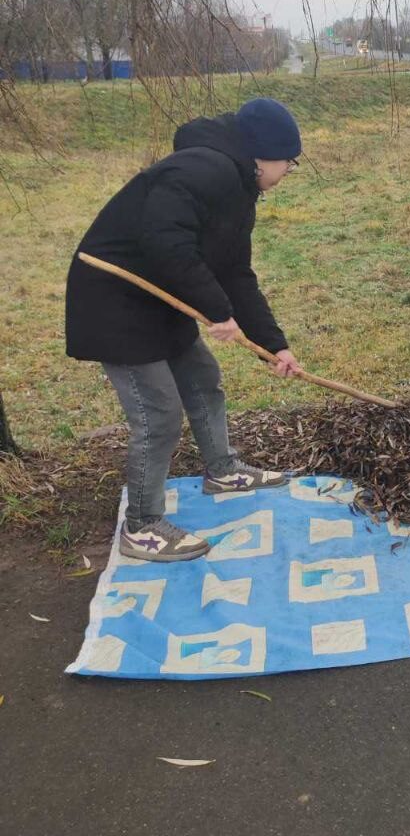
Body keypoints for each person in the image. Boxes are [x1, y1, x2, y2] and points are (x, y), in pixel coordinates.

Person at [66, 98, 304, 563]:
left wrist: (275, 346)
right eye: (288, 162)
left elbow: (236, 273)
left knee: (202, 379)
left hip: (160, 299)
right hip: (116, 303)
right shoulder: (204, 169)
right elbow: (164, 239)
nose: (288, 172)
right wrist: (216, 311)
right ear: (264, 155)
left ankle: (222, 470)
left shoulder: (238, 189)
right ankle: (142, 527)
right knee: (158, 414)